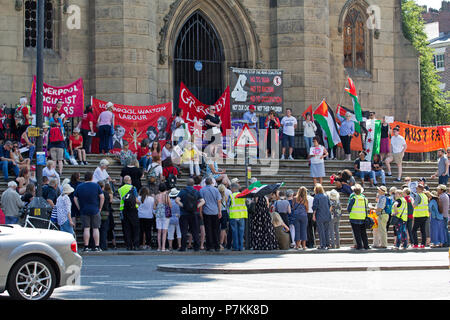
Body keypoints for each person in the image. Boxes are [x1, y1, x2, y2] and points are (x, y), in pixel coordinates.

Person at [74, 171, 105, 252]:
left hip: (84, 209)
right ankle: (97, 246)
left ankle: (86, 246)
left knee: (86, 228)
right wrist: (100, 207)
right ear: (92, 178)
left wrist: (79, 207)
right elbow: (102, 197)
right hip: (95, 209)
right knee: (95, 228)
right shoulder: (96, 186)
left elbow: (75, 198)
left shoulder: (79, 186)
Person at [176, 178, 204, 251]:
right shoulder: (196, 191)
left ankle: (183, 247)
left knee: (184, 231)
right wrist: (196, 206)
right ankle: (197, 247)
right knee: (195, 230)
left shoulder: (182, 191)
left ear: (186, 184)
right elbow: (203, 201)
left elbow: (177, 200)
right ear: (193, 184)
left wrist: (182, 205)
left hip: (184, 213)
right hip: (194, 213)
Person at [118, 175, 141, 251]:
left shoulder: (120, 189)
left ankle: (128, 245)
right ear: (130, 180)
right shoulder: (133, 188)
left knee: (126, 228)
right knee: (135, 228)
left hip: (124, 209)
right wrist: (139, 203)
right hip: (133, 209)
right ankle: (136, 245)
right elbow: (136, 199)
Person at [199, 177, 222, 252]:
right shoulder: (216, 190)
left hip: (206, 212)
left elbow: (201, 203)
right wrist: (220, 211)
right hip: (215, 211)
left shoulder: (202, 190)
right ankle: (217, 246)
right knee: (216, 229)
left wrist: (200, 212)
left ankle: (209, 246)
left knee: (208, 229)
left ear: (205, 183)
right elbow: (219, 201)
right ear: (212, 182)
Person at [348, 184, 370, 250]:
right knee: (363, 233)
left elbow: (349, 209)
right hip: (363, 217)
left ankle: (359, 246)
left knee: (357, 233)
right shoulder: (365, 199)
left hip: (354, 217)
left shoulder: (353, 199)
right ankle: (366, 245)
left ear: (354, 192)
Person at [228, 183, 247, 251]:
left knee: (234, 232)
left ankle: (236, 247)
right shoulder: (243, 195)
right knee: (241, 232)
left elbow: (228, 205)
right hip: (241, 215)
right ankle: (241, 247)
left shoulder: (231, 196)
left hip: (233, 216)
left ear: (233, 188)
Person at [312, 184, 331, 250]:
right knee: (326, 230)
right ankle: (328, 244)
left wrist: (314, 215)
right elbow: (329, 205)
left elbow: (315, 207)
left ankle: (322, 244)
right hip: (327, 214)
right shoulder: (326, 196)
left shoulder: (316, 197)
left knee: (321, 230)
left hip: (320, 215)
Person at [153, 183, 172, 251]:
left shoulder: (156, 196)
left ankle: (159, 247)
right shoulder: (167, 196)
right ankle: (163, 247)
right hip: (165, 215)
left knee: (159, 231)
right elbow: (170, 205)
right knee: (164, 231)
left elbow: (154, 207)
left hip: (158, 214)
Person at [411, 184, 429, 248]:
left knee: (413, 230)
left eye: (417, 188)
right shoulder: (425, 196)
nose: (416, 189)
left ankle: (416, 244)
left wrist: (412, 201)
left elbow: (414, 206)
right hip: (425, 215)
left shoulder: (418, 196)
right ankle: (423, 244)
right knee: (423, 230)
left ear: (419, 189)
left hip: (419, 215)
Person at [98, 181, 113, 251]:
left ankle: (97, 244)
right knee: (104, 230)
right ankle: (104, 245)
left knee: (97, 229)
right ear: (103, 186)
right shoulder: (107, 194)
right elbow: (110, 202)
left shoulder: (97, 193)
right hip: (106, 212)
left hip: (98, 212)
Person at [218, 184, 231, 249]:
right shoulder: (226, 197)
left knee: (219, 228)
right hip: (224, 212)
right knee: (223, 228)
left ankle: (222, 242)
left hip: (217, 212)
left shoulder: (217, 196)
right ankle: (222, 242)